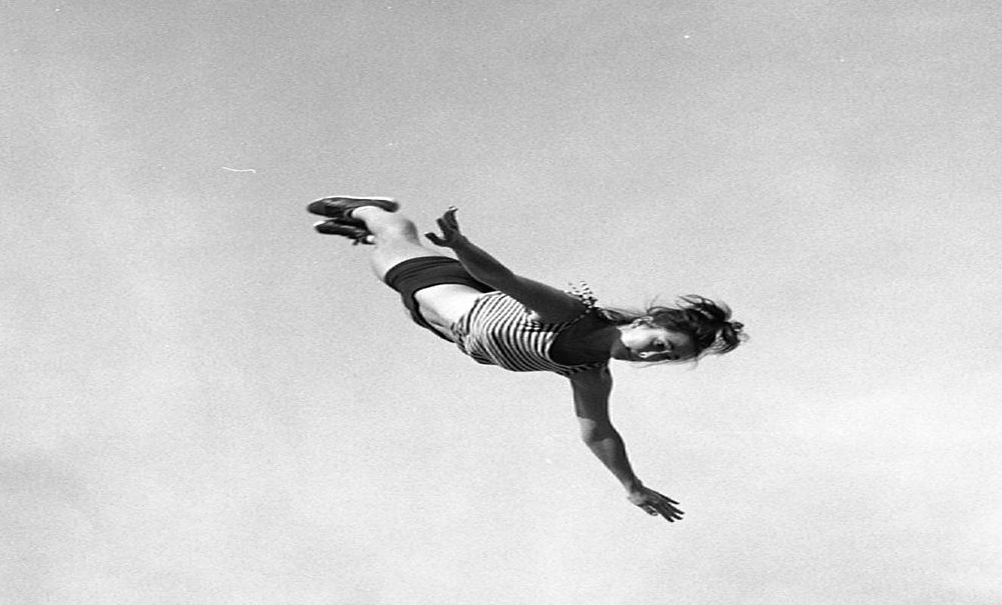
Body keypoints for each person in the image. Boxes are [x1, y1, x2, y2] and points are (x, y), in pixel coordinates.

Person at [308, 196, 744, 522]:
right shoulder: (571, 316)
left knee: (383, 253)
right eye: (660, 341)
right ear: (644, 322)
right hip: (439, 282)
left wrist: (632, 487)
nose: (651, 353)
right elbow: (502, 278)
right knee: (391, 243)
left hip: (436, 322)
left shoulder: (588, 372)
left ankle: (371, 232)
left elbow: (598, 433)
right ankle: (372, 210)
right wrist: (461, 245)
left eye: (665, 357)